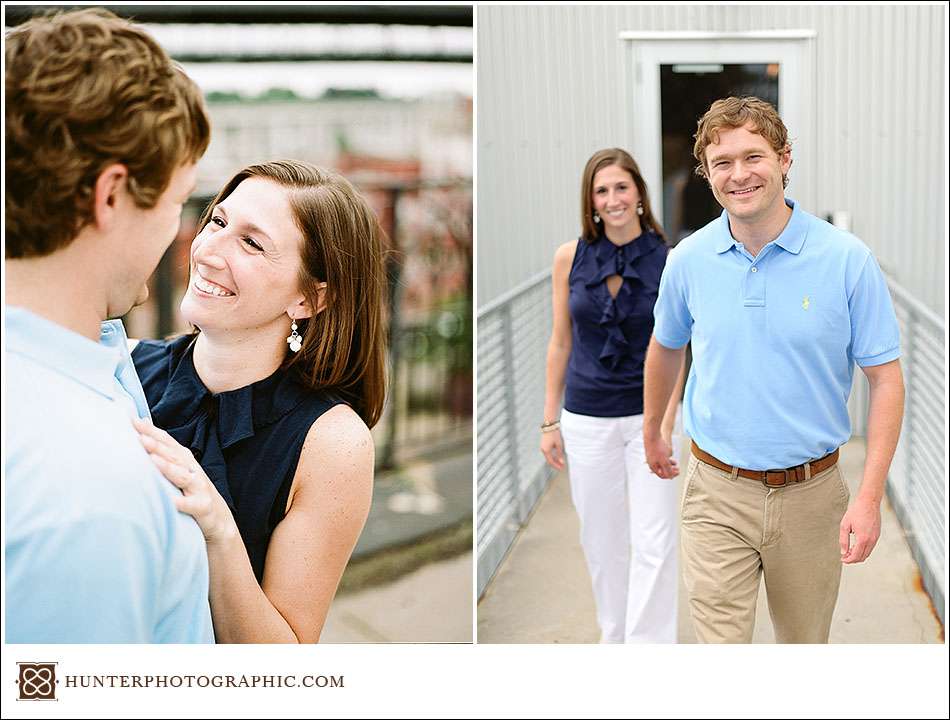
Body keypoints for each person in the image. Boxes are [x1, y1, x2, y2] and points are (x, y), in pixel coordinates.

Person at [643, 96, 905, 643]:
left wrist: (868, 497)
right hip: (716, 490)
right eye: (722, 162)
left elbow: (885, 379)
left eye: (753, 156)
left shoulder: (846, 259)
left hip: (812, 494)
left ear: (785, 158)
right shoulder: (687, 260)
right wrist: (653, 428)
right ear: (706, 174)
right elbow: (666, 346)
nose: (739, 174)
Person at [5, 8, 214, 642]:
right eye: (178, 201)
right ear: (113, 194)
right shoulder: (88, 495)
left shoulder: (78, 364)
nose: (184, 232)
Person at [129, 159, 386, 643]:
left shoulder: (333, 443)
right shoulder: (127, 367)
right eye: (218, 222)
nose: (206, 252)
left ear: (309, 300)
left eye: (251, 243)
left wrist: (217, 531)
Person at [540, 148, 684, 643]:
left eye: (622, 187)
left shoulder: (671, 260)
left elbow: (680, 347)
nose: (613, 198)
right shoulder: (569, 257)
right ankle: (614, 636)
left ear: (639, 193)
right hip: (587, 417)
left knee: (655, 538)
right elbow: (560, 341)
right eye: (602, 190)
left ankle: (649, 650)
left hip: (652, 417)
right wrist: (548, 420)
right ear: (591, 201)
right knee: (601, 540)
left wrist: (664, 426)